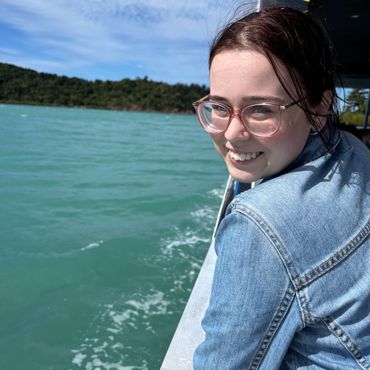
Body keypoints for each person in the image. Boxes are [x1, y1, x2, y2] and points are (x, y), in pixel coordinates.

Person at [192, 5, 370, 370]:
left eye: (260, 110)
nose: (231, 133)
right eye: (219, 107)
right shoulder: (354, 149)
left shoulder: (258, 224)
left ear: (319, 107)